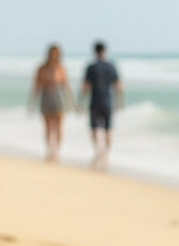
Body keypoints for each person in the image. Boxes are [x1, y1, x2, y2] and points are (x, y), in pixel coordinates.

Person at [80, 40, 123, 169]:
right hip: (107, 102)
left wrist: (81, 103)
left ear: (94, 52)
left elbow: (86, 87)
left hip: (94, 102)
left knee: (94, 129)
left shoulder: (91, 67)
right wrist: (120, 102)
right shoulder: (111, 66)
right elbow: (119, 86)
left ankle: (98, 151)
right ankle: (106, 153)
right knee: (108, 129)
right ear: (105, 51)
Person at [29, 44, 74, 162]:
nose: (54, 56)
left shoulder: (61, 68)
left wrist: (72, 102)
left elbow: (66, 86)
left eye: (56, 54)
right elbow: (36, 87)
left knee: (59, 126)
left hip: (59, 97)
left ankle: (57, 150)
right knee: (48, 127)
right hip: (46, 97)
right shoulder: (42, 69)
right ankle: (50, 149)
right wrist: (32, 104)